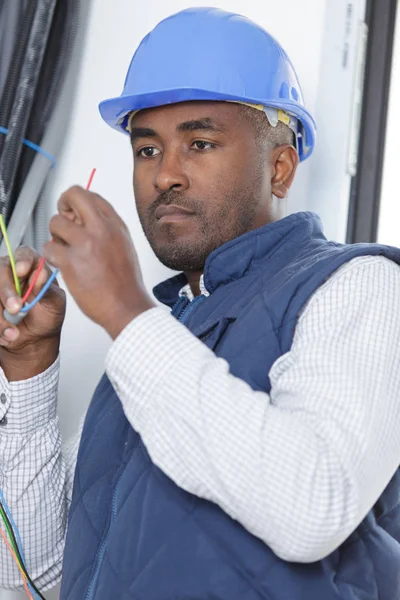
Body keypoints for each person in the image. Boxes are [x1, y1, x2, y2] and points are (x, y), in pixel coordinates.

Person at [0, 6, 400, 600]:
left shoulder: (360, 285)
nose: (165, 175)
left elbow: (313, 507)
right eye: (147, 150)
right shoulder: (152, 347)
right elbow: (41, 579)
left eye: (201, 142)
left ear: (281, 167)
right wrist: (30, 371)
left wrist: (125, 314)